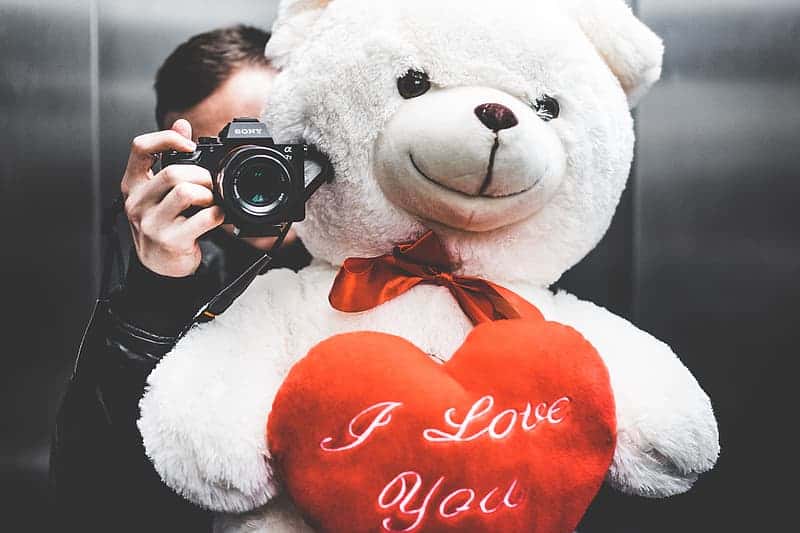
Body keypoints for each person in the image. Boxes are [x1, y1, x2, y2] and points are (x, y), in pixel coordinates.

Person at [50, 25, 307, 531]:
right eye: (220, 155)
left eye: (271, 142)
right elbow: (89, 504)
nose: (253, 170)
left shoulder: (377, 252)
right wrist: (158, 288)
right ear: (177, 163)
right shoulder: (169, 265)